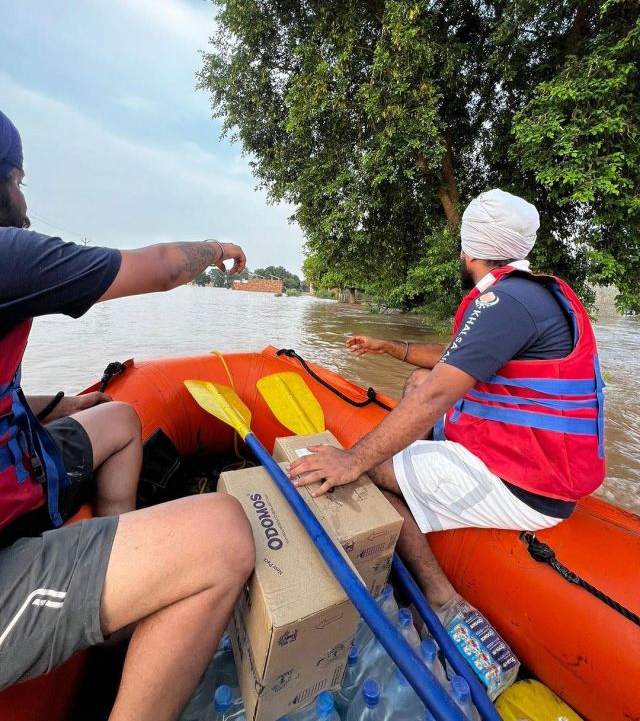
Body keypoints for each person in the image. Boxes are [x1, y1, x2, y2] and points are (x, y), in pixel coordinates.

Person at [0, 108, 256, 721]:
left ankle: (119, 594)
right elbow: (163, 266)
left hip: (18, 469)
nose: (24, 202)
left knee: (117, 417)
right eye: (18, 182)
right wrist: (219, 248)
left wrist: (60, 405)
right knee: (226, 533)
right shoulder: (7, 255)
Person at [287, 189, 606, 620]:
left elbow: (439, 394)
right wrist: (390, 347)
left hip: (526, 484)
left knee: (371, 469)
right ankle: (417, 473)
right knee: (418, 380)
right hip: (530, 457)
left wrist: (353, 459)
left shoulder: (504, 302)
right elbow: (455, 360)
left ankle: (439, 594)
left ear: (469, 250)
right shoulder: (527, 295)